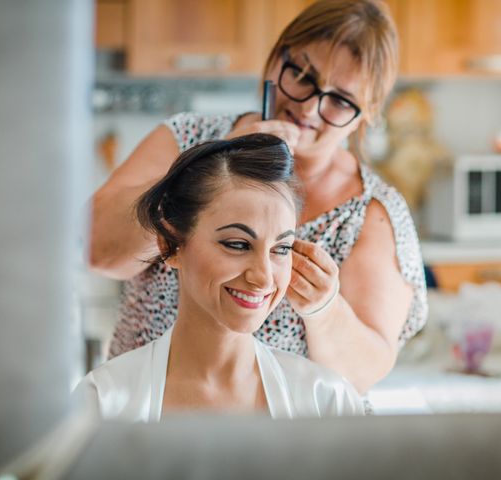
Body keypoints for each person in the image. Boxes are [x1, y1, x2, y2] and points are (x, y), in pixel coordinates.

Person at [89, 0, 427, 394]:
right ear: (274, 59)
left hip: (284, 442)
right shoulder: (187, 139)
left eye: (340, 100)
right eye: (300, 74)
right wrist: (205, 166)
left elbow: (365, 372)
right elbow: (96, 248)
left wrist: (325, 309)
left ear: (366, 114)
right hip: (146, 414)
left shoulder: (372, 213)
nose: (307, 108)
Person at [76, 134, 364, 421]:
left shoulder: (325, 402)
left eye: (281, 249)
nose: (263, 278)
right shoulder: (104, 401)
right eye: (237, 244)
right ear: (170, 246)